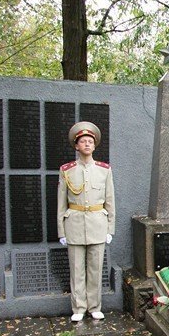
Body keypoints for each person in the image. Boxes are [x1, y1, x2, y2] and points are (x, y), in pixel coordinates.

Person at [57, 121, 116, 322]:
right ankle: (79, 308)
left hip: (98, 225)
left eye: (90, 141)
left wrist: (110, 228)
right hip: (73, 225)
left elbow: (110, 202)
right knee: (76, 270)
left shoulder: (104, 170)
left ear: (95, 145)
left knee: (95, 269)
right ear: (76, 146)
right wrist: (61, 232)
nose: (87, 144)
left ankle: (94, 306)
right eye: (83, 141)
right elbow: (61, 203)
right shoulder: (67, 170)